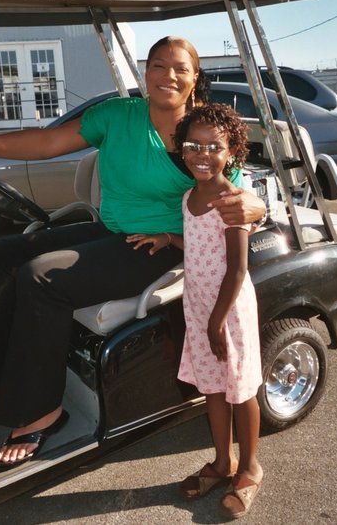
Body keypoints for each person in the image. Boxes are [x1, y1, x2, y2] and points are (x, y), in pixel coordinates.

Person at [0, 35, 266, 471]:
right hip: (112, 230)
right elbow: (46, 143)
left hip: (162, 245)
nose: (168, 75)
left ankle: (41, 410)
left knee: (42, 277)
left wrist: (257, 207)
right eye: (158, 65)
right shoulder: (117, 116)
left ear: (194, 78)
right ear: (145, 72)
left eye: (180, 68)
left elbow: (239, 195)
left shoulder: (205, 134)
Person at [127, 103, 263, 519]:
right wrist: (169, 238)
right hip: (200, 306)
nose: (202, 154)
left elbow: (238, 268)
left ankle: (251, 466)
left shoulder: (232, 201)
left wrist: (217, 322)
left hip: (229, 311)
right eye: (193, 145)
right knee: (213, 387)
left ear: (232, 152)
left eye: (214, 146)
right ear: (181, 150)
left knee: (240, 389)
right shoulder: (189, 197)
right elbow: (202, 247)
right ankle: (223, 463)